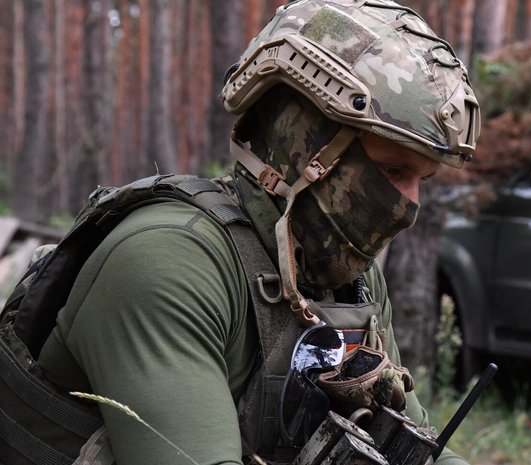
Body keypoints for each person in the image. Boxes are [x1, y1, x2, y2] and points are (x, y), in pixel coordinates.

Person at [0, 1, 479, 464]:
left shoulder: (348, 280)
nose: (411, 204)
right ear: (303, 145)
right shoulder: (167, 261)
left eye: (424, 179)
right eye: (393, 169)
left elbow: (419, 448)